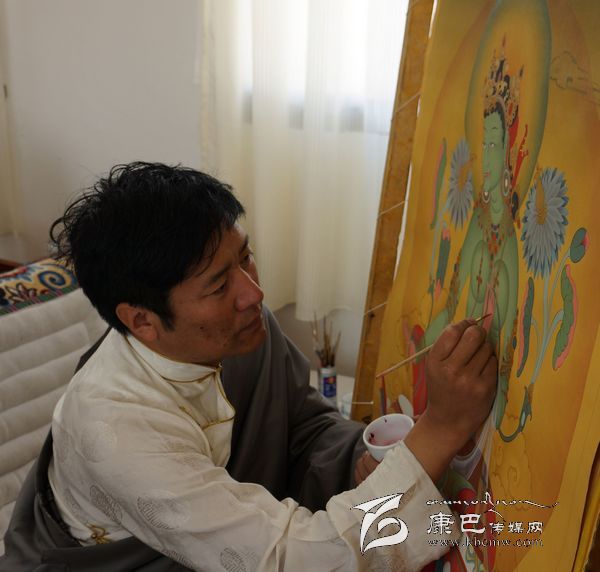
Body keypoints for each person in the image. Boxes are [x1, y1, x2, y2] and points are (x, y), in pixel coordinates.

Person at [1, 162, 497, 571]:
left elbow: (303, 428)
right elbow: (292, 561)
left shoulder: (238, 331)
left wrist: (358, 463)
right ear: (143, 321)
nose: (253, 293)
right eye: (219, 286)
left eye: (246, 258)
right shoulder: (116, 430)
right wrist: (442, 427)